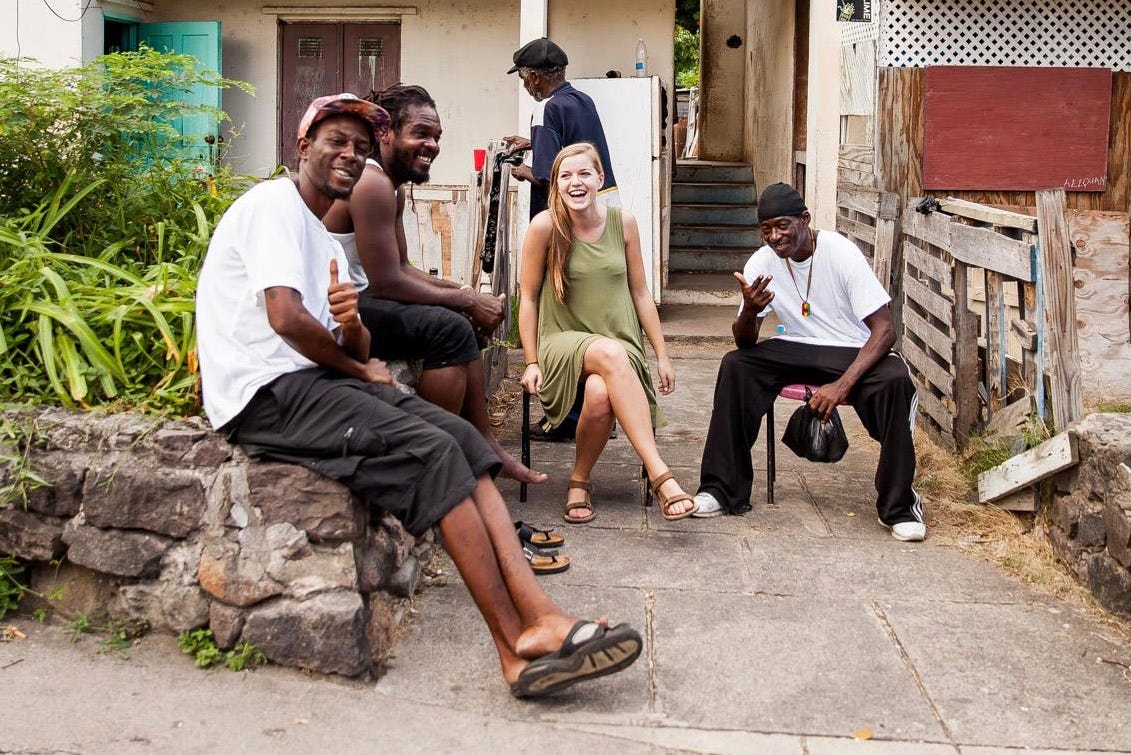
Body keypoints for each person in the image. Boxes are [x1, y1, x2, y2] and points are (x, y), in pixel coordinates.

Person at [196, 93, 642, 697]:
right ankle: (514, 646)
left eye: (360, 146)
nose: (350, 155)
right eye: (336, 142)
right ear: (302, 146)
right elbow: (286, 319)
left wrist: (352, 328)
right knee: (434, 454)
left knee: (460, 439)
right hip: (266, 395)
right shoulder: (273, 204)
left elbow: (348, 339)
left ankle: (542, 616)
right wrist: (361, 371)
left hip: (310, 381)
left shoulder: (321, 239)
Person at [321, 84, 546, 487]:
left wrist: (466, 295)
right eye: (421, 133)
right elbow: (386, 283)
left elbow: (403, 267)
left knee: (459, 318)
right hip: (335, 311)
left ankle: (478, 445)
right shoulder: (370, 183)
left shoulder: (389, 185)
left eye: (437, 136)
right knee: (449, 327)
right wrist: (465, 301)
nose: (432, 145)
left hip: (360, 300)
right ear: (386, 133)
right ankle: (447, 455)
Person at [691, 183, 926, 542]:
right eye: (766, 229)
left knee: (895, 380)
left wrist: (841, 386)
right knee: (736, 365)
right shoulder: (761, 262)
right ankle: (720, 490)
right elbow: (745, 342)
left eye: (782, 225)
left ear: (805, 220)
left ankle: (900, 508)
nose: (774, 236)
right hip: (795, 346)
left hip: (849, 348)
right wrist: (750, 312)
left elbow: (885, 331)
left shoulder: (841, 253)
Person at [518, 142, 696, 523]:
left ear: (600, 178)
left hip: (619, 343)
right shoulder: (545, 226)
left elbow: (641, 293)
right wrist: (531, 361)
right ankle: (661, 475)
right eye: (566, 176)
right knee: (610, 354)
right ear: (556, 183)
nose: (576, 182)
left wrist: (662, 355)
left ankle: (579, 481)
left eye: (584, 173)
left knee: (600, 393)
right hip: (562, 342)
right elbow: (528, 299)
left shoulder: (624, 223)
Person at [503, 37, 619, 219]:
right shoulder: (583, 100)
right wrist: (534, 143)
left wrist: (524, 171)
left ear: (534, 77)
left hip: (573, 216)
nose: (524, 86)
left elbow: (546, 178)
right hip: (605, 205)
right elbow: (577, 144)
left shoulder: (546, 108)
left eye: (523, 79)